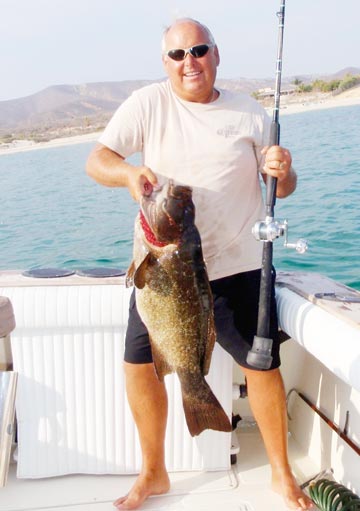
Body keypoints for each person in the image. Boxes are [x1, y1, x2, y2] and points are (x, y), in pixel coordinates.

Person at [86, 18, 313, 511]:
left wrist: (284, 171)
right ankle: (154, 473)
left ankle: (281, 474)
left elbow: (285, 187)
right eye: (177, 54)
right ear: (165, 63)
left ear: (215, 55)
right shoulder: (148, 104)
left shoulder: (249, 112)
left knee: (261, 363)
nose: (189, 61)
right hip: (162, 272)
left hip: (238, 263)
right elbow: (97, 159)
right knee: (139, 366)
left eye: (199, 50)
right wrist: (127, 173)